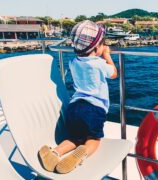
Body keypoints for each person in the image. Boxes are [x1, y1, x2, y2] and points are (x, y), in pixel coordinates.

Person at [38, 20, 117, 174]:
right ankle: (81, 154)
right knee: (93, 140)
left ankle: (55, 152)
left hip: (74, 108)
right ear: (96, 47)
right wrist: (107, 55)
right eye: (102, 44)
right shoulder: (99, 63)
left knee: (75, 137)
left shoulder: (74, 62)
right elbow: (114, 73)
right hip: (94, 109)